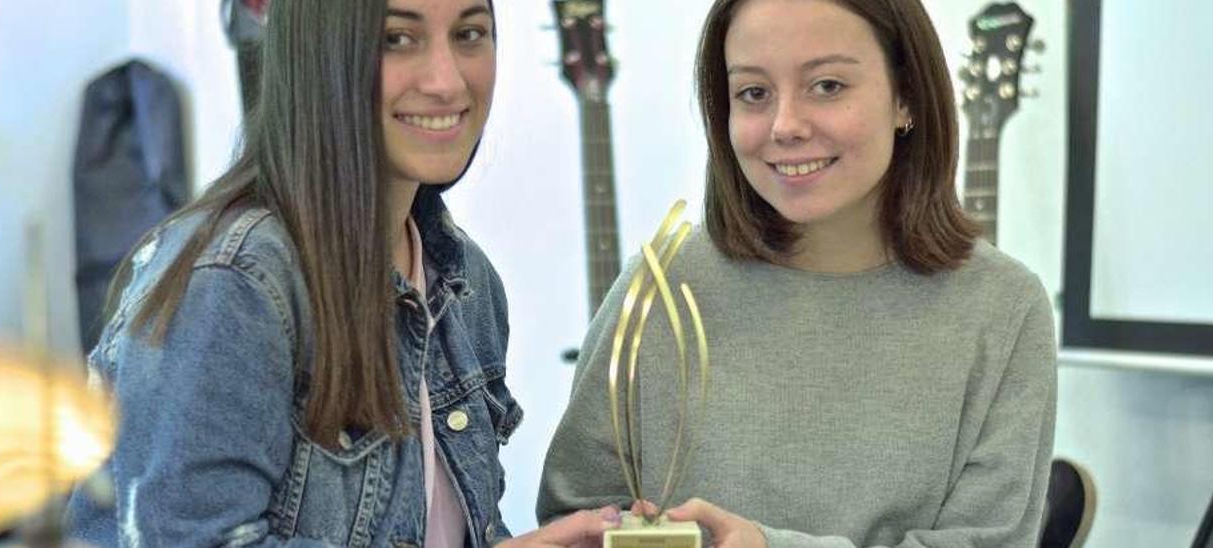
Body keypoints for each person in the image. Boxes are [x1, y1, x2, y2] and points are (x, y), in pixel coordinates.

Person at [65, 1, 619, 546]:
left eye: (470, 34)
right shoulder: (234, 282)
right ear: (320, 53)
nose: (447, 82)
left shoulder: (466, 281)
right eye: (397, 39)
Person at [536, 0, 1057, 546]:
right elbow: (574, 517)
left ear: (905, 96)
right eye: (754, 93)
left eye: (827, 85)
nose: (785, 126)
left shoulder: (1004, 308)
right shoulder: (659, 287)